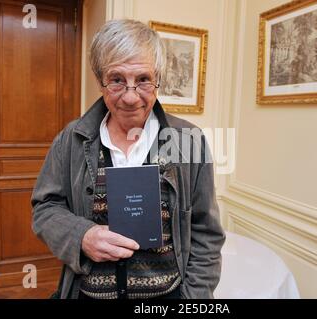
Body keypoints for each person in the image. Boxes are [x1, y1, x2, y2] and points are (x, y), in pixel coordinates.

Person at [31, 19, 225, 299]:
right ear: (100, 81)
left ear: (158, 79)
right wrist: (81, 236)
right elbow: (45, 207)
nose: (131, 97)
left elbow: (206, 232)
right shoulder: (70, 139)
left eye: (143, 80)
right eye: (117, 80)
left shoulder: (188, 140)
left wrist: (192, 298)